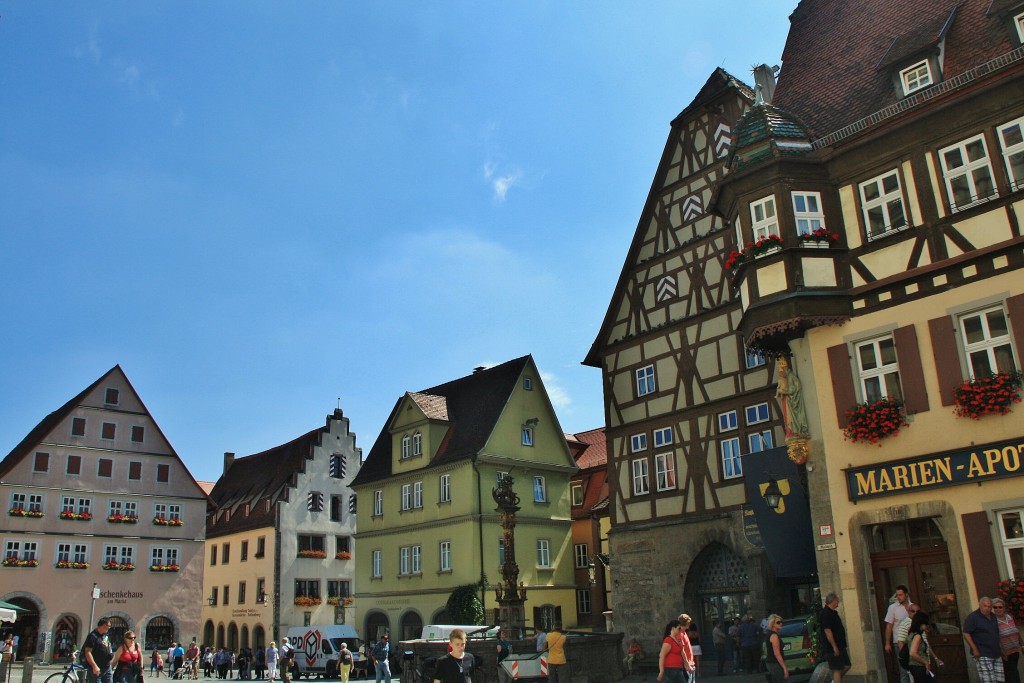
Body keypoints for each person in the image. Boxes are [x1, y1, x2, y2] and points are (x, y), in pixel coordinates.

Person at [964, 596, 1004, 683]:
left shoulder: (993, 616)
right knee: (988, 680)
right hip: (982, 652)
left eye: (989, 606)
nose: (987, 608)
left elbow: (996, 633)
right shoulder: (973, 617)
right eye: (985, 606)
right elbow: (966, 633)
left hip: (996, 652)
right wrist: (974, 649)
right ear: (980, 605)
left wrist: (1001, 648)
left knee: (1000, 679)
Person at [884, 586, 913, 683]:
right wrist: (887, 643)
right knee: (903, 669)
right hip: (899, 642)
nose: (898, 597)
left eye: (901, 595)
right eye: (897, 595)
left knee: (915, 667)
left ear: (906, 595)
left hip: (913, 641)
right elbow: (889, 626)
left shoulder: (913, 606)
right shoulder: (893, 608)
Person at [820, 593, 851, 683]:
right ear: (833, 601)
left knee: (847, 665)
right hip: (832, 648)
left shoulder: (833, 613)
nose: (838, 602)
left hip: (840, 646)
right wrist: (834, 646)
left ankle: (834, 681)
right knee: (837, 669)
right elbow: (827, 631)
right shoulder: (826, 614)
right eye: (837, 600)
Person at [776, 358, 809, 438]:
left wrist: (784, 392)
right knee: (788, 418)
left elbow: (795, 388)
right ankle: (791, 432)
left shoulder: (791, 376)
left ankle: (795, 431)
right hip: (787, 400)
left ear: (784, 369)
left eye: (781, 371)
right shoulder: (786, 378)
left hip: (791, 400)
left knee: (791, 417)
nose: (781, 374)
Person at [906, 612, 943, 683]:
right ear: (921, 624)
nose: (927, 626)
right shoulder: (917, 636)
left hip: (914, 666)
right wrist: (925, 662)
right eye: (926, 624)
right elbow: (912, 653)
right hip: (919, 666)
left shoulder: (911, 634)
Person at [994, 597, 1024, 683]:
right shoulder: (994, 621)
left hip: (1015, 650)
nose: (998, 609)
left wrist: (1022, 645)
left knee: (1013, 672)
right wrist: (1002, 651)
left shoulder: (1009, 617)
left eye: (1000, 607)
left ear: (1004, 608)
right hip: (1005, 653)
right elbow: (995, 638)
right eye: (995, 607)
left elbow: (1016, 631)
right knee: (1011, 674)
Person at [83, 618, 115, 683]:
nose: (109, 628)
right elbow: (88, 652)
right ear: (103, 625)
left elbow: (108, 646)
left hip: (107, 667)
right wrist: (94, 666)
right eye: (108, 626)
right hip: (97, 668)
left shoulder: (105, 635)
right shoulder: (92, 636)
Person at [764, 615, 788, 683]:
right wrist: (785, 668)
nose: (781, 623)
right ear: (772, 624)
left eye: (781, 622)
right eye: (778, 622)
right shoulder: (774, 636)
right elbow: (777, 654)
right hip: (774, 663)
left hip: (772, 663)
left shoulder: (771, 634)